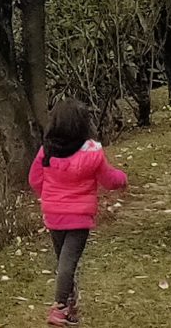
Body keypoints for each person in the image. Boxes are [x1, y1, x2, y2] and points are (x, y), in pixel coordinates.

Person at [28, 101, 128, 326]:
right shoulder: (92, 153)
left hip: (53, 215)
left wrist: (48, 195)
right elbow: (109, 179)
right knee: (67, 264)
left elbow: (34, 179)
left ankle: (70, 308)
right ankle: (59, 307)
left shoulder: (47, 150)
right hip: (78, 218)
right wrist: (123, 179)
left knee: (65, 262)